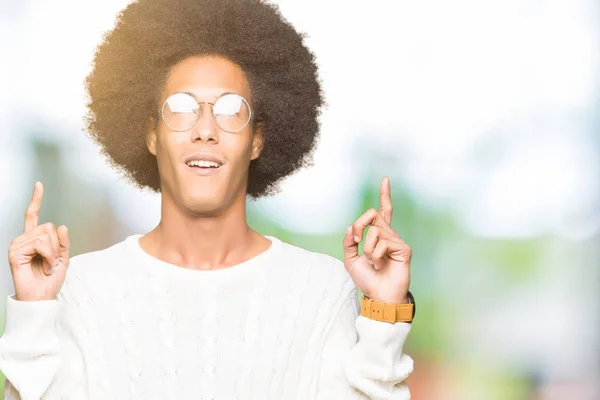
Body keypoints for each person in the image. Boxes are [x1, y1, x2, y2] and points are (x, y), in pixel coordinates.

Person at [1, 0, 415, 398]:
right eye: (181, 108)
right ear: (150, 134)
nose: (205, 129)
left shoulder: (324, 291)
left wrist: (384, 310)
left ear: (257, 140)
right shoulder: (81, 288)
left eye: (231, 109)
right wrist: (34, 312)